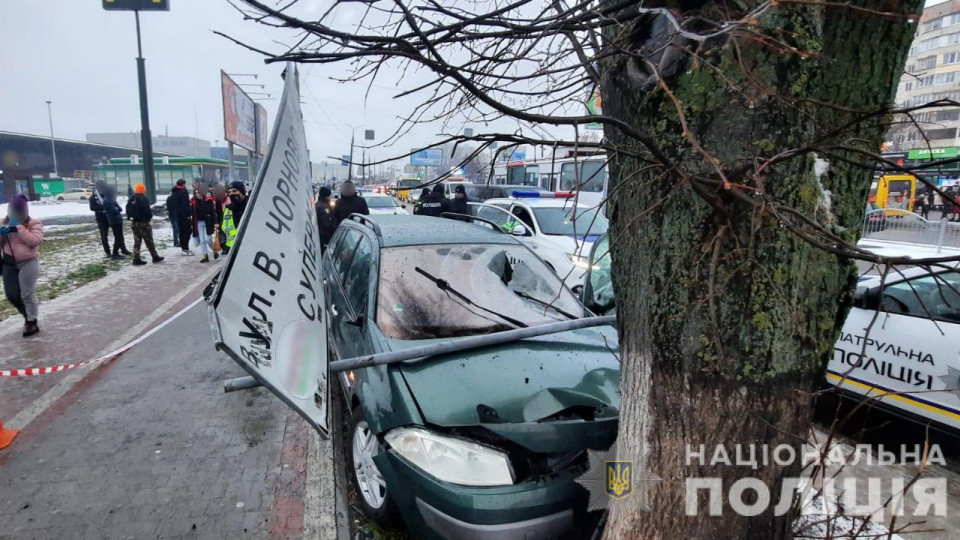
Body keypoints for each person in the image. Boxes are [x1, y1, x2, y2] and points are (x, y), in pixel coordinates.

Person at [1, 194, 43, 337]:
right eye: (13, 210)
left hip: (28, 262)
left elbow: (34, 241)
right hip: (9, 263)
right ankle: (27, 314)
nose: (16, 213)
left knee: (27, 293)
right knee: (12, 294)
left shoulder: (34, 223)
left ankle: (32, 321)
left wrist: (18, 228)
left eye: (19, 211)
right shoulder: (2, 222)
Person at [125, 183, 164, 266]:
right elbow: (147, 210)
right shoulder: (143, 198)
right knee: (149, 241)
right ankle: (155, 257)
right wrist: (149, 217)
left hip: (134, 223)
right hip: (143, 223)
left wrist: (131, 218)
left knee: (137, 241)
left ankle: (136, 259)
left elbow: (127, 209)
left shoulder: (131, 198)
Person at [191, 182, 217, 263]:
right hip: (198, 222)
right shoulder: (193, 202)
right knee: (202, 241)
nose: (197, 194)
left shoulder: (208, 200)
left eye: (198, 192)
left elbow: (213, 212)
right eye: (196, 193)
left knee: (208, 239)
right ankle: (205, 256)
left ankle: (215, 250)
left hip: (208, 222)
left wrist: (215, 222)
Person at [103, 186, 130, 260]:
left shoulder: (111, 199)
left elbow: (120, 208)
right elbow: (115, 210)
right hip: (114, 221)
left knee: (120, 237)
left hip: (117, 219)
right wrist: (117, 209)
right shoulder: (108, 200)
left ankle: (122, 250)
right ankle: (115, 253)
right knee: (118, 237)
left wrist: (117, 208)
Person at [221, 181, 248, 251]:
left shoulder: (251, 205)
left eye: (234, 191)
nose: (232, 194)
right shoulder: (228, 210)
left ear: (242, 192)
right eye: (229, 192)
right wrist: (224, 243)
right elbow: (224, 228)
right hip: (235, 248)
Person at [169, 179, 194, 255]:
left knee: (181, 231)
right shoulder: (183, 192)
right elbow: (185, 204)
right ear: (183, 184)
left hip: (177, 215)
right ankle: (186, 248)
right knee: (187, 231)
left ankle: (183, 248)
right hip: (185, 215)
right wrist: (189, 213)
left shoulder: (174, 192)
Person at [90, 181, 113, 257]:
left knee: (118, 234)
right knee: (104, 236)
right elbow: (92, 207)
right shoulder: (93, 197)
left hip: (111, 216)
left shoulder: (108, 194)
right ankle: (107, 252)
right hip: (101, 219)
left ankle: (121, 249)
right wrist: (102, 207)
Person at [315, 186, 337, 250]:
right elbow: (327, 223)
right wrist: (335, 229)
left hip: (320, 234)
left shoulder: (318, 204)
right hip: (324, 236)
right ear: (327, 195)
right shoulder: (324, 207)